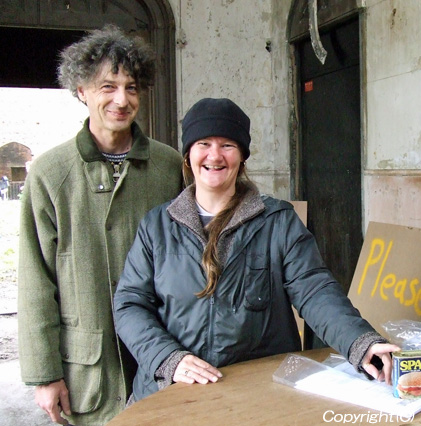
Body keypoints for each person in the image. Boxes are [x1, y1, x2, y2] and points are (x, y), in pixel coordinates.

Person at [113, 98, 399, 403]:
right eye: (204, 143)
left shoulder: (277, 222)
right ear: (188, 155)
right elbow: (130, 304)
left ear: (242, 157)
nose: (215, 155)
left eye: (228, 145)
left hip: (255, 392)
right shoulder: (157, 226)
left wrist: (360, 342)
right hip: (171, 392)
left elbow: (314, 290)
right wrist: (168, 359)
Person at [17, 25, 183, 425]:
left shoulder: (168, 166)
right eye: (107, 86)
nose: (121, 100)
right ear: (81, 90)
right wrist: (45, 374)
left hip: (161, 353)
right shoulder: (49, 173)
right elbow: (35, 280)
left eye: (131, 87)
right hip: (88, 369)